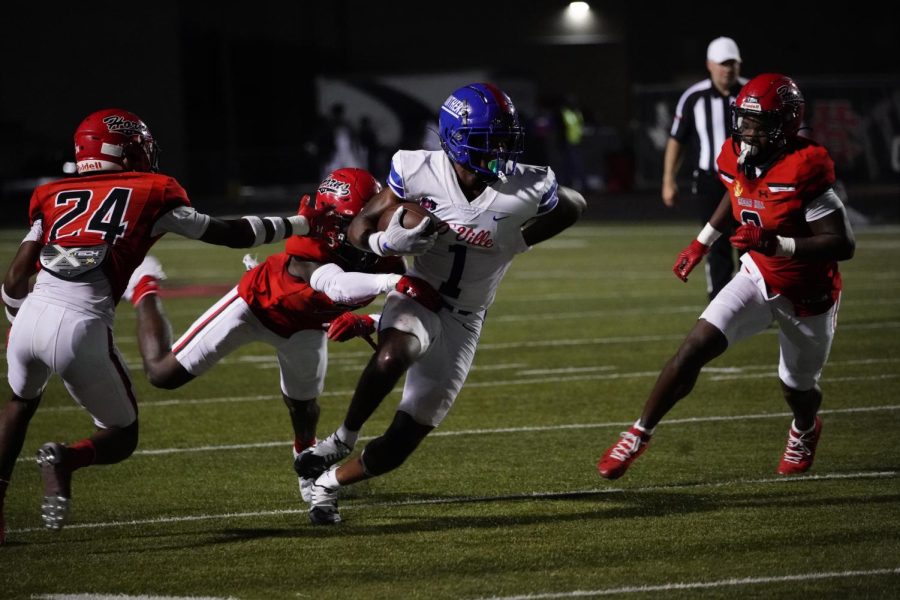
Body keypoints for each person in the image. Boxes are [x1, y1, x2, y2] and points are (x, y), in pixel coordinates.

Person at [0, 108, 312, 543]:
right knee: (122, 436)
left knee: (19, 403)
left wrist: (18, 323)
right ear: (122, 149)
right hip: (81, 327)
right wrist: (299, 224)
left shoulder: (51, 194)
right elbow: (229, 233)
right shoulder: (153, 190)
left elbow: (15, 279)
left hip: (31, 317)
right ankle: (67, 458)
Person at [294, 82, 586, 524]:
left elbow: (573, 205)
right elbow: (360, 225)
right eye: (491, 142)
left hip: (468, 317)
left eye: (507, 141)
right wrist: (384, 240)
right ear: (455, 138)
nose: (502, 152)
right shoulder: (416, 170)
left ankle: (327, 483)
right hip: (420, 291)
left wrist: (520, 240)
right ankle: (342, 436)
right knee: (394, 354)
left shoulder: (528, 184)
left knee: (401, 441)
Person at [597, 74, 856, 480]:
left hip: (808, 294)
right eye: (743, 120)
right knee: (694, 348)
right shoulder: (734, 153)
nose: (746, 130)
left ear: (784, 125)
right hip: (755, 275)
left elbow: (842, 243)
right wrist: (701, 243)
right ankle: (638, 432)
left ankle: (805, 427)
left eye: (757, 123)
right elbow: (733, 191)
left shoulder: (806, 165)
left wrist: (778, 243)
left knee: (797, 387)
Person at [130, 167, 440, 503]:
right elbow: (335, 286)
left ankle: (307, 468)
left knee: (304, 410)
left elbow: (406, 314)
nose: (366, 224)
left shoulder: (388, 257)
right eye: (353, 218)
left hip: (306, 329)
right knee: (163, 374)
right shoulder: (312, 236)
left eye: (372, 214)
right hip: (253, 308)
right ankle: (144, 284)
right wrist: (390, 283)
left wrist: (368, 321)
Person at [662, 36, 748, 300]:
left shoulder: (751, 93)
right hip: (710, 180)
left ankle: (754, 301)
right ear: (710, 65)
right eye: (723, 63)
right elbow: (677, 140)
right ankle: (721, 303)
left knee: (751, 243)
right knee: (716, 244)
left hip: (748, 180)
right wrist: (668, 180)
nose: (728, 69)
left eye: (732, 63)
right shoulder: (694, 97)